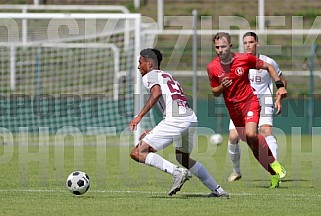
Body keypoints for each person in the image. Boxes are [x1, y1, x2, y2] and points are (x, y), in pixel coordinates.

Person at [129, 48, 229, 197]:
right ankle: (218, 190)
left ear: (149, 63)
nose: (138, 66)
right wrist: (156, 131)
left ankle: (177, 172)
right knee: (183, 157)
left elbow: (156, 93)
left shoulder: (149, 75)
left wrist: (139, 116)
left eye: (140, 62)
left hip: (176, 120)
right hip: (189, 118)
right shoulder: (168, 76)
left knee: (137, 152)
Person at [207, 32, 287, 188]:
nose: (220, 50)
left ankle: (275, 168)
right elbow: (215, 92)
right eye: (217, 47)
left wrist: (280, 89)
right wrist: (223, 86)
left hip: (255, 100)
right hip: (234, 108)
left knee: (261, 131)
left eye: (223, 46)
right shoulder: (212, 67)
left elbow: (272, 70)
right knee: (243, 139)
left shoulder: (247, 59)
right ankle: (241, 171)